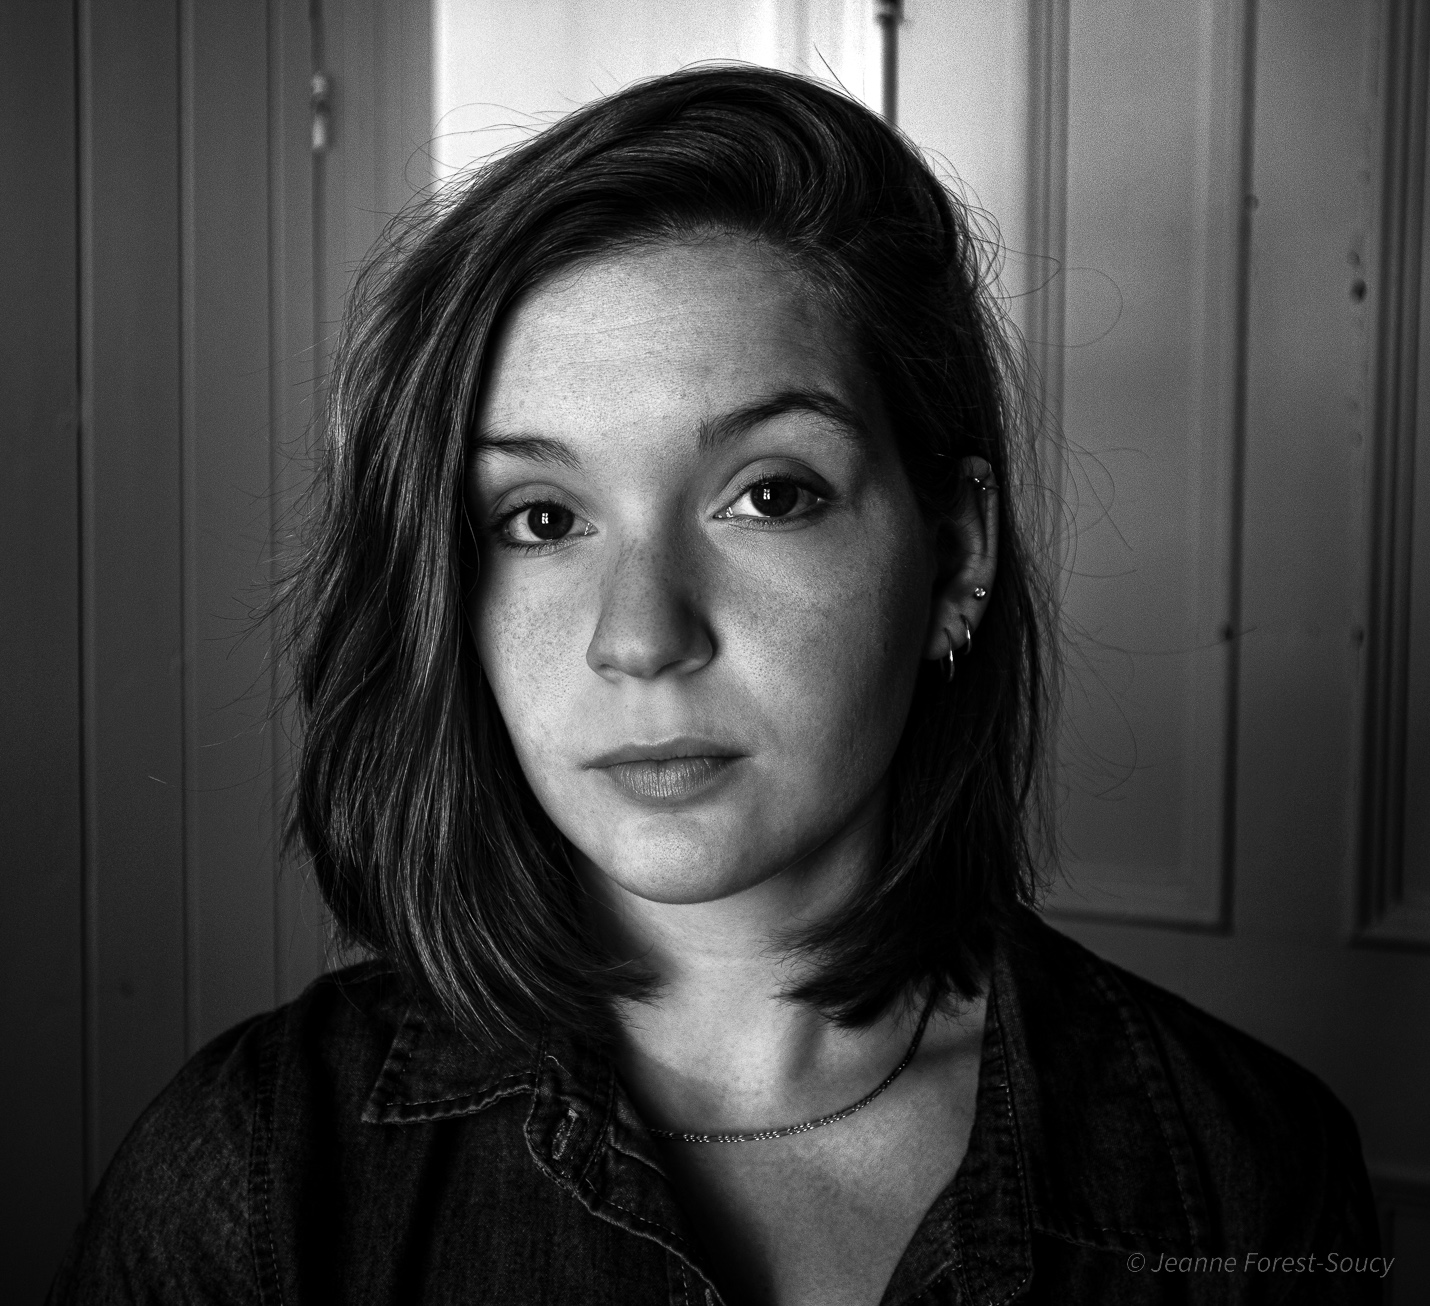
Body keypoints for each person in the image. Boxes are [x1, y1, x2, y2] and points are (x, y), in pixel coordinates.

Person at [50, 65, 1379, 1306]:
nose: (639, 637)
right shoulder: (251, 1177)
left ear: (954, 553)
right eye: (539, 518)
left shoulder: (1241, 1174)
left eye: (769, 495)